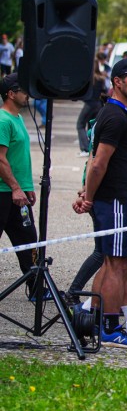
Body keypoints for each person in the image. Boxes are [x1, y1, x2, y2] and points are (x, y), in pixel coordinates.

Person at [72, 57, 127, 348]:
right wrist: (89, 197)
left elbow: (95, 158)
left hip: (113, 198)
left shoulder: (115, 113)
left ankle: (93, 319)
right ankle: (109, 327)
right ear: (117, 82)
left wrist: (86, 193)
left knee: (109, 261)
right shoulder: (115, 115)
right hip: (114, 200)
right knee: (119, 265)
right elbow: (98, 163)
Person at [0, 74, 39, 297]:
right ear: (11, 94)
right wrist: (15, 187)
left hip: (18, 193)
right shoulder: (3, 120)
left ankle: (35, 287)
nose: (27, 94)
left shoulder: (19, 118)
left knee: (28, 241)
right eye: (23, 90)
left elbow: (20, 157)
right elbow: (1, 159)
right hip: (3, 192)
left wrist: (26, 186)